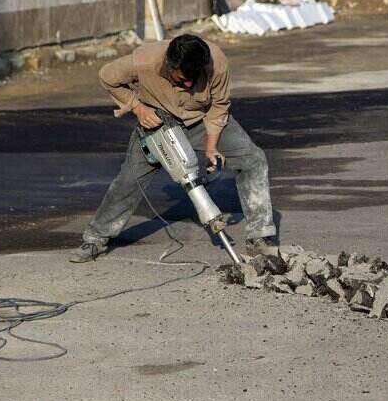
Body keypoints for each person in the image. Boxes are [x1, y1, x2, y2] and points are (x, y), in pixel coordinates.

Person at [69, 34, 276, 263]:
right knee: (128, 180)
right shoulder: (144, 60)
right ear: (169, 64)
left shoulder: (216, 62)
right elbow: (107, 76)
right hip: (157, 124)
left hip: (202, 119)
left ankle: (261, 237)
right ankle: (96, 238)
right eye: (182, 78)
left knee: (253, 159)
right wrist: (138, 108)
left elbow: (218, 106)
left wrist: (211, 148)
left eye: (193, 78)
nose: (188, 84)